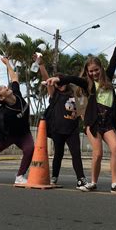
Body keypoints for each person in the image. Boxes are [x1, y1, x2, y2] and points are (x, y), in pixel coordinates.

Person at [46, 29, 116, 195]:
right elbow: (73, 79)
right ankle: (93, 182)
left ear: (101, 68)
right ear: (87, 72)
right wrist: (58, 79)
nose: (93, 73)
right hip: (93, 122)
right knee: (97, 152)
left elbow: (115, 58)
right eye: (90, 71)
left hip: (107, 122)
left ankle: (115, 184)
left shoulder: (107, 79)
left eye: (96, 70)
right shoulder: (87, 84)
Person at [35, 54, 91, 191]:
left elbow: (82, 112)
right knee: (58, 155)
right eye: (57, 83)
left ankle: (81, 179)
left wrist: (87, 126)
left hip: (72, 130)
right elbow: (46, 78)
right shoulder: (55, 94)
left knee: (76, 154)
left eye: (62, 82)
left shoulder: (76, 94)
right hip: (57, 130)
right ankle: (54, 177)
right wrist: (41, 65)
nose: (60, 85)